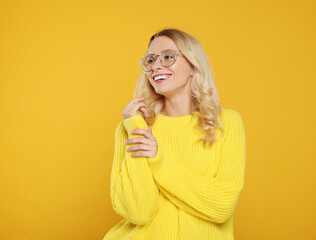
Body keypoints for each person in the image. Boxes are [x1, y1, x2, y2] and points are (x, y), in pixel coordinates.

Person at [103, 28, 246, 240]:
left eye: (168, 57)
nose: (156, 66)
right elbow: (139, 212)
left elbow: (222, 207)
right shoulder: (134, 126)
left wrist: (158, 162)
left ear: (193, 65)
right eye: (150, 60)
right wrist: (135, 128)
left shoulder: (226, 124)